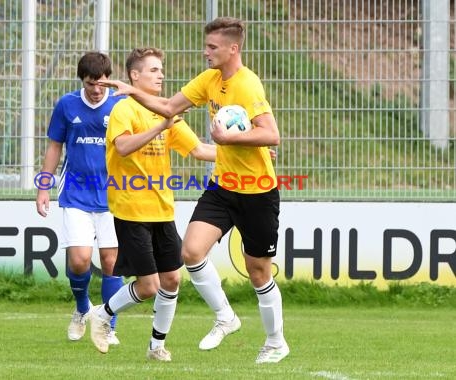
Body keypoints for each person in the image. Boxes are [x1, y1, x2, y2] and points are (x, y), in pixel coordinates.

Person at [99, 17, 289, 364]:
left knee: (258, 269)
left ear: (233, 49)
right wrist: (133, 92)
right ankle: (225, 317)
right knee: (191, 251)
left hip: (259, 191)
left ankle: (276, 342)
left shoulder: (247, 86)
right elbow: (170, 108)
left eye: (212, 47)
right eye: (206, 46)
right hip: (222, 187)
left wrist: (231, 138)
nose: (205, 52)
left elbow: (271, 134)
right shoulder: (210, 80)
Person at [88, 47, 216, 361]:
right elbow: (122, 148)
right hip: (131, 209)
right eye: (154, 70)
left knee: (172, 279)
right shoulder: (124, 109)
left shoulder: (164, 108)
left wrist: (246, 153)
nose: (161, 75)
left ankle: (156, 346)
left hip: (162, 210)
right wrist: (161, 126)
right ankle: (102, 315)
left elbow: (199, 149)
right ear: (135, 76)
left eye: (161, 70)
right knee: (147, 287)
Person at [36, 52, 124, 345]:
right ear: (82, 81)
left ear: (108, 79)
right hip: (76, 193)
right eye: (90, 84)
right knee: (79, 260)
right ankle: (82, 308)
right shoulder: (67, 104)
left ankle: (108, 325)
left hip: (115, 195)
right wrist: (43, 187)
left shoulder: (122, 104)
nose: (96, 90)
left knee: (111, 261)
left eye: (101, 84)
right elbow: (54, 147)